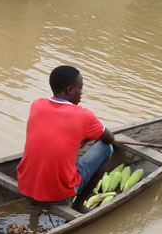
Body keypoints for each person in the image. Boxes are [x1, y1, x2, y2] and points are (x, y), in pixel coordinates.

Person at [16, 65, 117, 205]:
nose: (81, 93)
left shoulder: (37, 105)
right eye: (80, 89)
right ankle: (78, 204)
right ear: (70, 90)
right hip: (59, 195)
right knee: (107, 148)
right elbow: (109, 138)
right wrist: (88, 136)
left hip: (24, 186)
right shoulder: (84, 115)